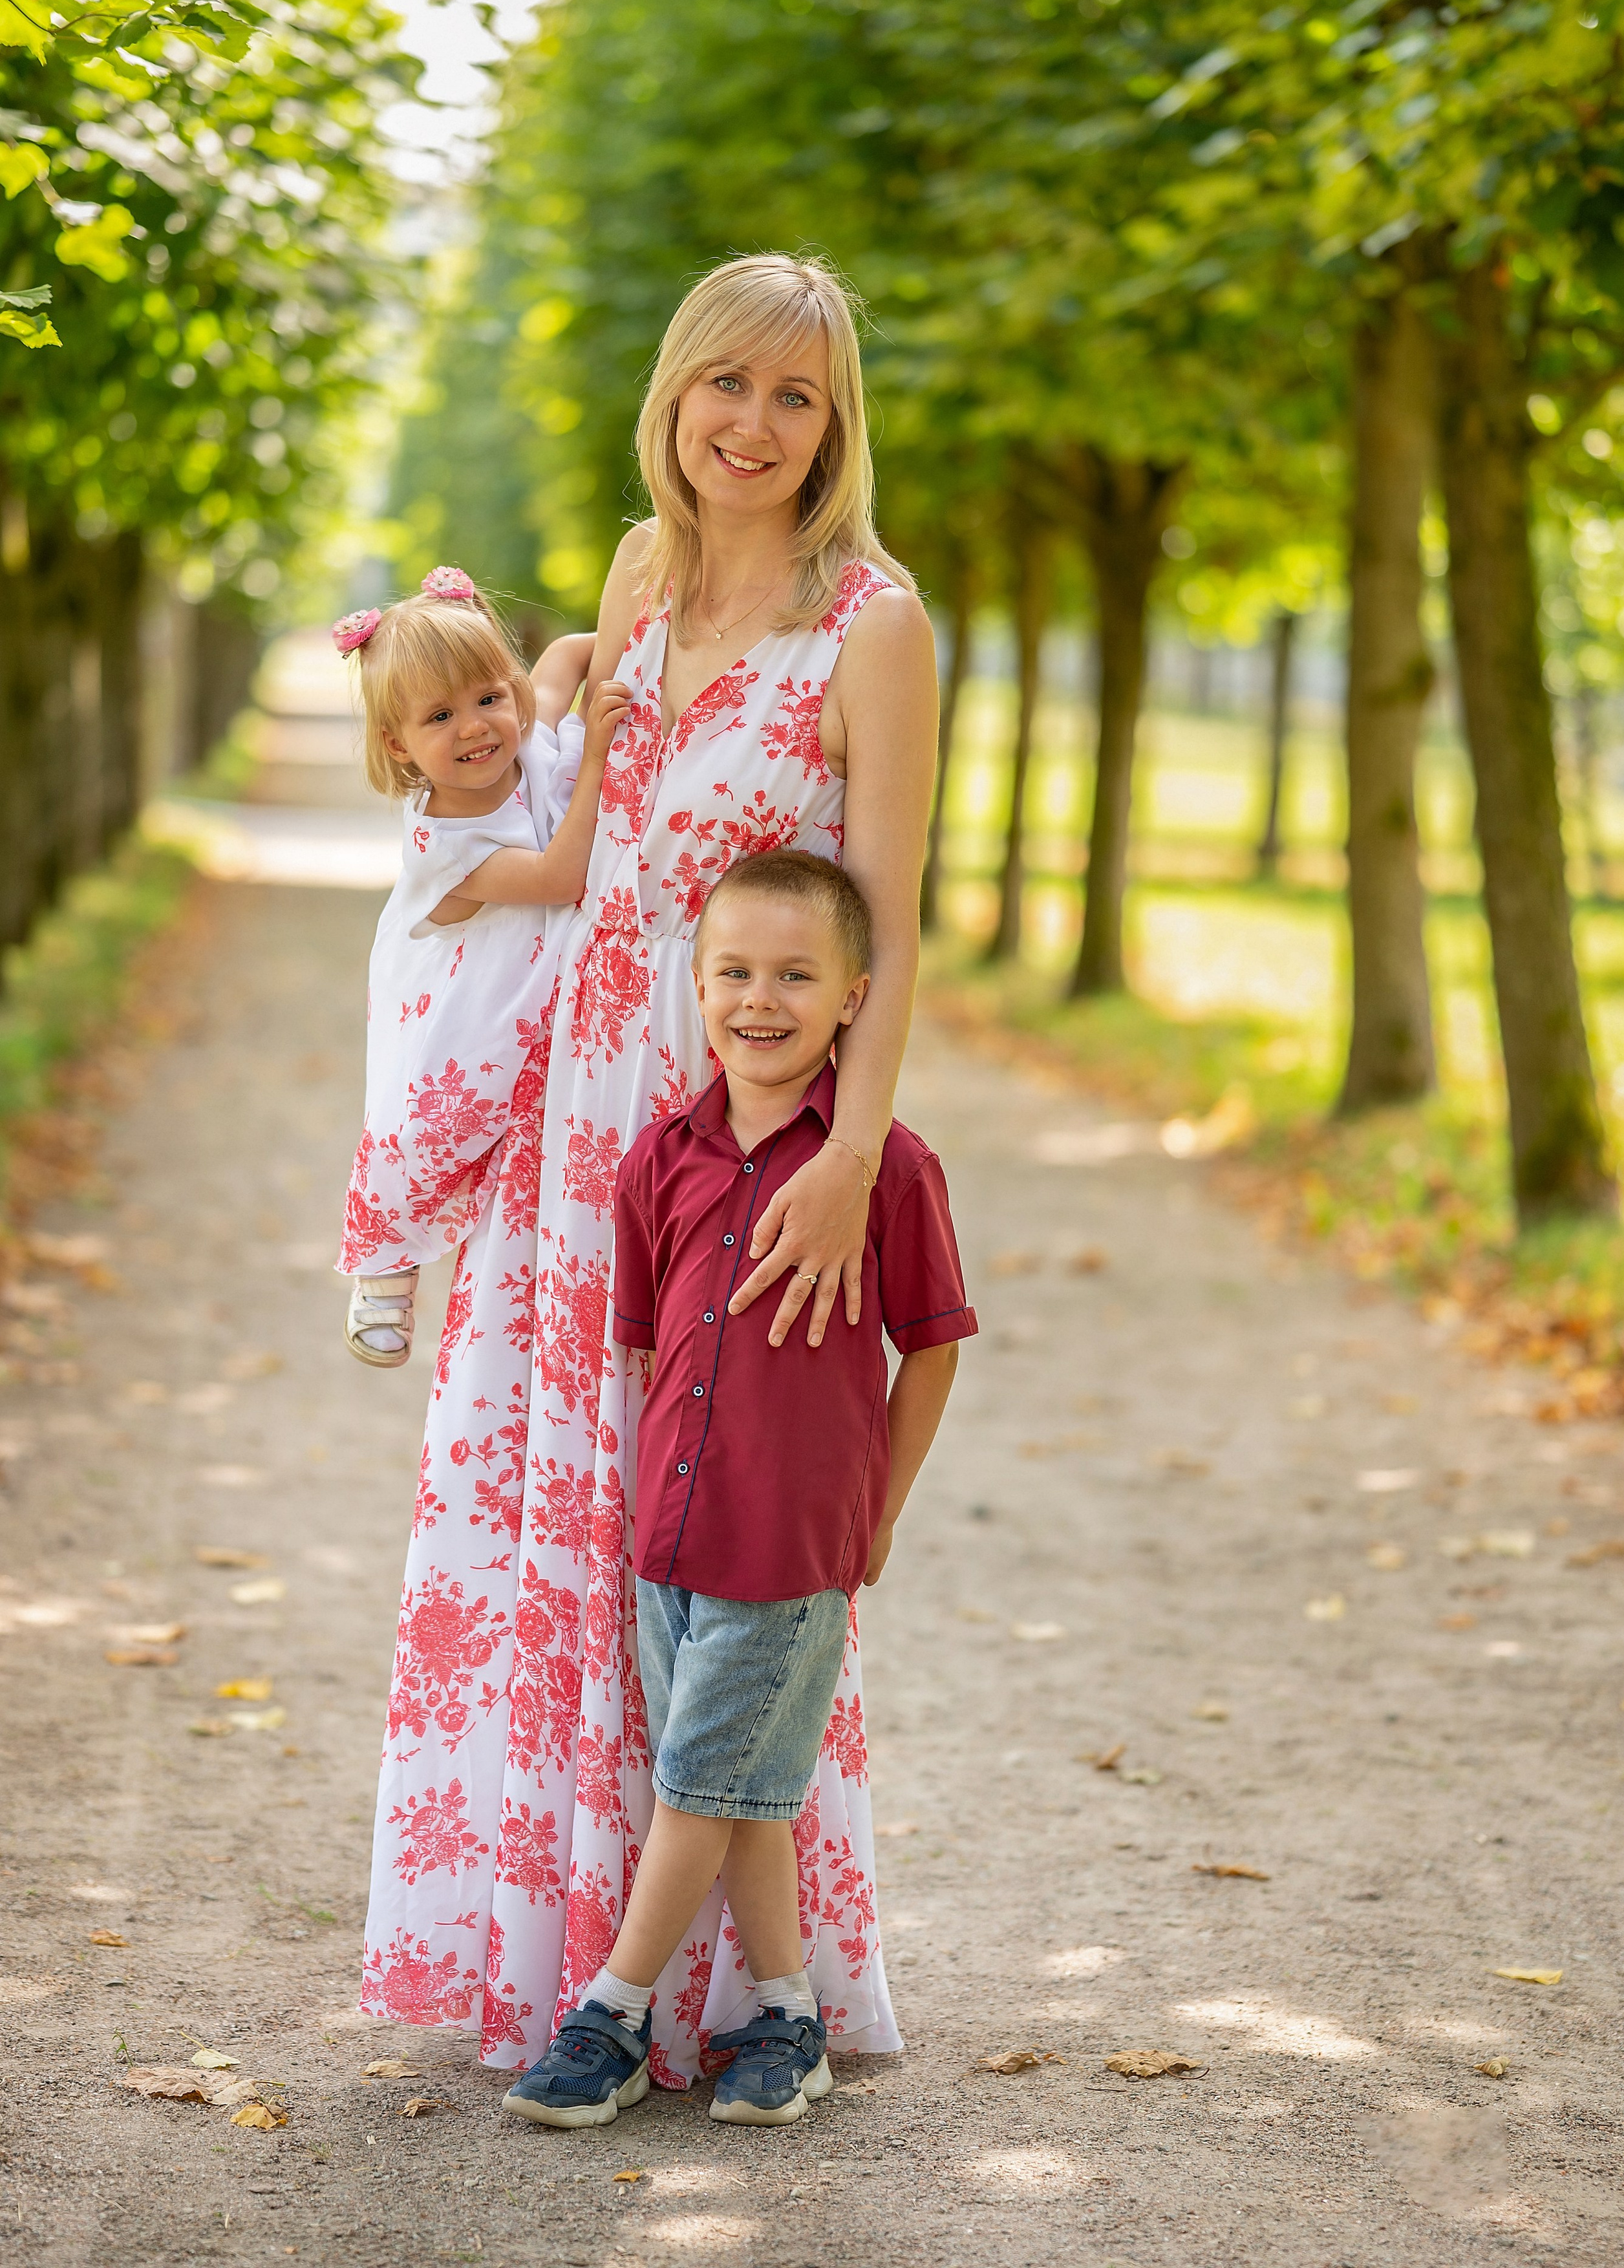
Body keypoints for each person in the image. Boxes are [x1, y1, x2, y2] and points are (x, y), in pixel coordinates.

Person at [359, 253, 941, 2092]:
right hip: (573, 1137)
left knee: (729, 1543)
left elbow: (891, 925)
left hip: (739, 1140)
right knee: (575, 1524)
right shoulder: (635, 574)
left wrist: (848, 1157)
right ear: (675, 394)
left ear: (834, 426)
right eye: (725, 384)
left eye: (795, 395)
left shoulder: (876, 628)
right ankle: (565, 1953)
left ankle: (734, 1989)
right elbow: (573, 841)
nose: (752, 425)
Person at [501, 851, 974, 2130]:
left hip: (791, 1543)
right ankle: (786, 2017)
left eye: (796, 975)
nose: (760, 1000)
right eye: (735, 972)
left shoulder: (887, 1170)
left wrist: (879, 1510)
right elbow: (652, 1349)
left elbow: (932, 1347)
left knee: (700, 1786)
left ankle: (609, 2016)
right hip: (670, 1532)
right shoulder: (658, 1158)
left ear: (854, 997)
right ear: (697, 985)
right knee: (740, 1792)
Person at [333, 566, 629, 1361]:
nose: (474, 727)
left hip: (523, 992)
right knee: (422, 1129)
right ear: (399, 743)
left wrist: (654, 646)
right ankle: (383, 1266)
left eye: (489, 696)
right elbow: (559, 877)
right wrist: (596, 760)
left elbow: (566, 655)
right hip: (455, 1008)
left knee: (513, 1131)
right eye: (440, 715)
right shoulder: (442, 839)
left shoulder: (528, 738)